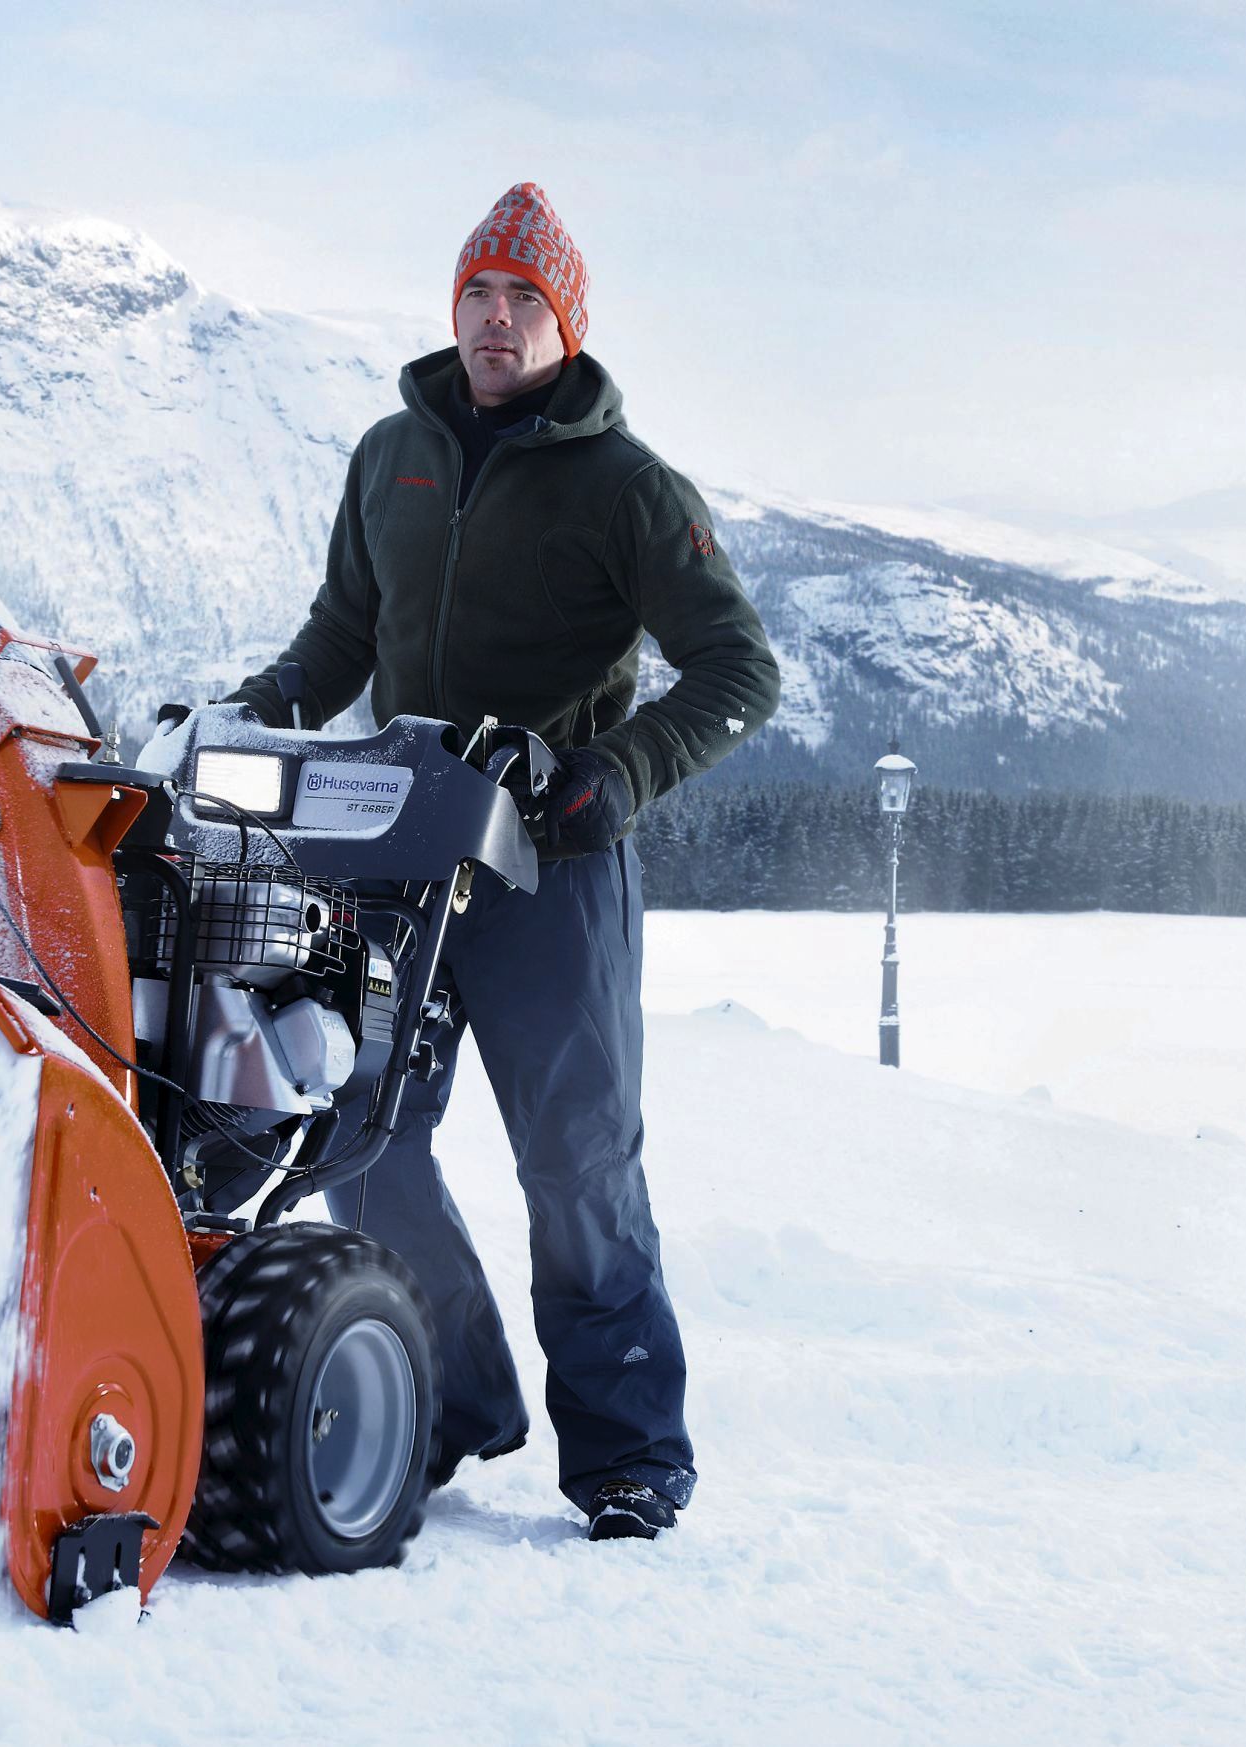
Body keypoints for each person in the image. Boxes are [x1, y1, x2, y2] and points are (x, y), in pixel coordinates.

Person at [225, 182, 778, 1542]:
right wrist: (259, 709)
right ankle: (454, 1396)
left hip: (551, 866)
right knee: (362, 1138)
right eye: (477, 290)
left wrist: (617, 769)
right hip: (388, 849)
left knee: (577, 1163)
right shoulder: (387, 457)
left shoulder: (633, 490)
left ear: (565, 324)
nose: (494, 315)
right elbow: (339, 637)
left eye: (523, 297)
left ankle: (630, 1456)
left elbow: (737, 670)